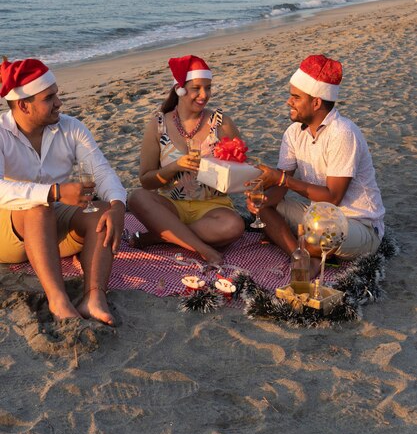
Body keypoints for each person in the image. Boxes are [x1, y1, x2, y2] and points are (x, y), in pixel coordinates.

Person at [0, 58, 127, 325]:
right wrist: (54, 192)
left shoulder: (70, 127)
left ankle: (93, 298)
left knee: (102, 211)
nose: (59, 102)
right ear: (23, 104)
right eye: (49, 97)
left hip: (51, 231)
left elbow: (101, 170)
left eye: (57, 94)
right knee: (38, 207)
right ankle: (58, 301)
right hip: (8, 233)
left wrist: (118, 205)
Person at [248, 54, 385, 273]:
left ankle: (303, 249)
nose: (288, 102)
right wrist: (261, 201)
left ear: (316, 102)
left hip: (359, 223)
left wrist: (282, 179)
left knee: (319, 233)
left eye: (295, 97)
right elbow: (281, 186)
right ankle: (299, 256)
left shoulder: (342, 133)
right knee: (264, 210)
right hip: (318, 217)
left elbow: (333, 197)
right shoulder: (293, 133)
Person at [128, 55, 245, 266]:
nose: (204, 95)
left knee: (234, 226)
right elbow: (146, 181)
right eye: (197, 88)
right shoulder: (158, 125)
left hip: (213, 207)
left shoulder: (222, 123)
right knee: (136, 197)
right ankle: (203, 249)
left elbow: (242, 172)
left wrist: (224, 168)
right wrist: (175, 167)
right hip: (172, 206)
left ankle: (158, 237)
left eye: (208, 88)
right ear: (180, 89)